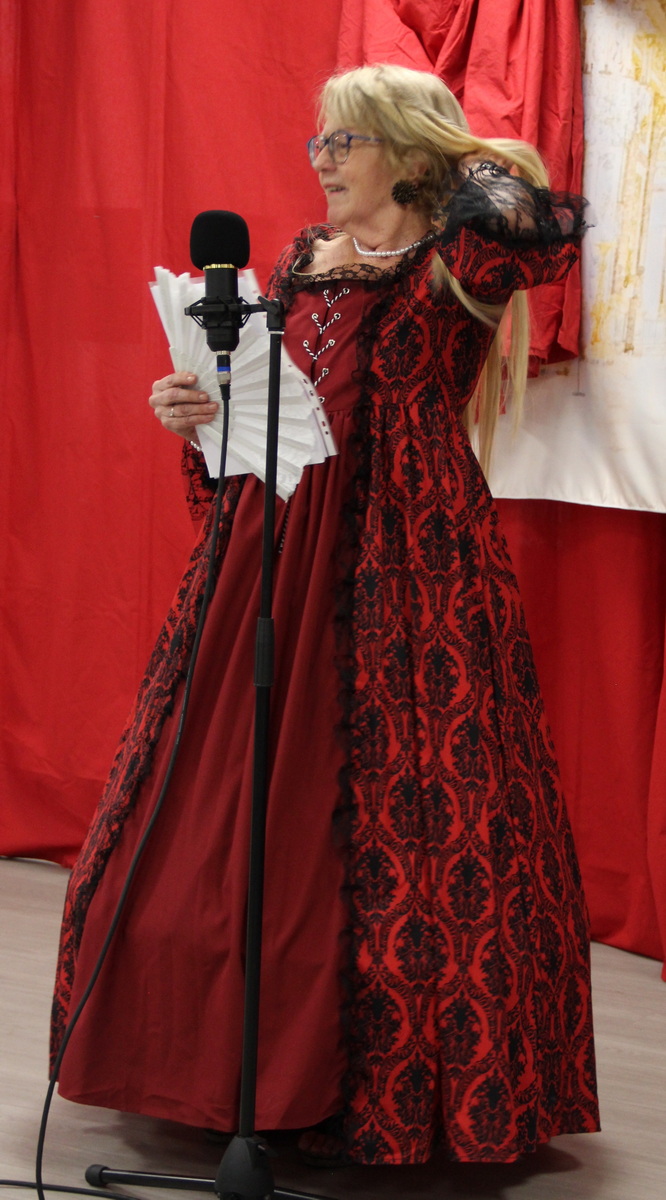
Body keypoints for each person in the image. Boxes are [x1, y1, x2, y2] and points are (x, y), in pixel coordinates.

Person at [51, 64, 600, 1167]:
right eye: (319, 142)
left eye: (346, 141)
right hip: (270, 550)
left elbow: (531, 218)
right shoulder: (300, 260)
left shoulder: (455, 260)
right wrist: (196, 411)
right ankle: (211, 1065)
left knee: (411, 821)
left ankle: (375, 1092)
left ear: (404, 148)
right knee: (216, 793)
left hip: (411, 565)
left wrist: (447, 157)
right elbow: (271, 417)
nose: (322, 161)